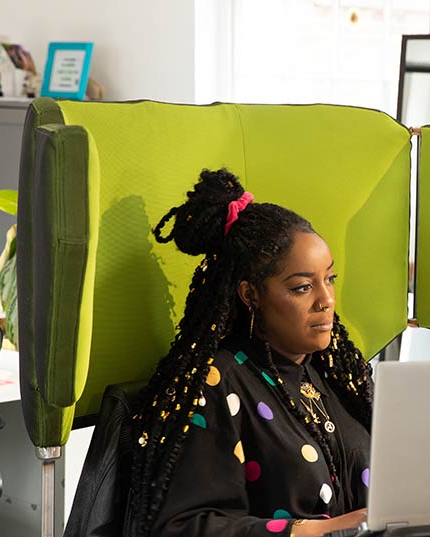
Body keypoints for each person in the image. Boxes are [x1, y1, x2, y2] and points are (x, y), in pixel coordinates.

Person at [128, 169, 373, 537]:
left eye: (330, 279)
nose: (327, 300)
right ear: (251, 295)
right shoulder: (218, 383)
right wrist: (319, 531)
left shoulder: (333, 374)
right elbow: (182, 527)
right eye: (303, 287)